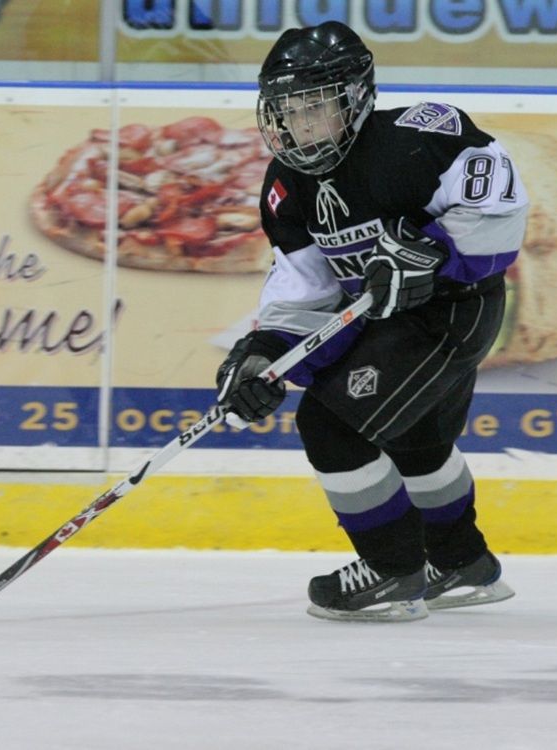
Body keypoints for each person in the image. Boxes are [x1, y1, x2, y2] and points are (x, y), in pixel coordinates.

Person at [216, 21, 526, 622]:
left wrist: (434, 254)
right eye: (287, 111)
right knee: (418, 440)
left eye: (315, 108)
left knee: (331, 426)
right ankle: (463, 564)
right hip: (388, 318)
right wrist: (263, 354)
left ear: (355, 98)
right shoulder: (286, 186)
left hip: (452, 310)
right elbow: (306, 289)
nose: (299, 126)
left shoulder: (420, 137)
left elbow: (498, 204)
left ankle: (392, 570)